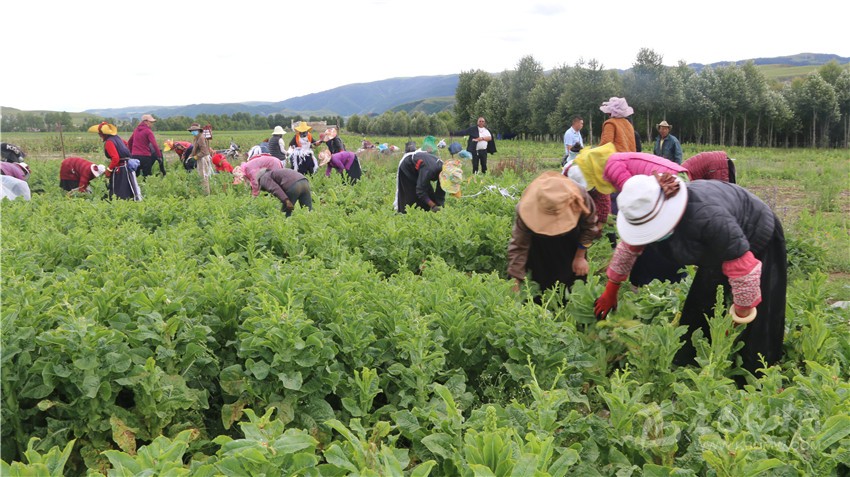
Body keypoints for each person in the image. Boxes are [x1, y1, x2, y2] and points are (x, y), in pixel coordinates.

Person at [594, 174, 787, 378]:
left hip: (755, 230)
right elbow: (628, 249)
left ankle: (756, 373)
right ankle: (690, 360)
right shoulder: (645, 210)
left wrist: (737, 319)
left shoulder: (709, 218)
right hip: (717, 239)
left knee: (761, 313)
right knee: (701, 303)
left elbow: (745, 271)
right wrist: (610, 290)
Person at [567, 149, 691, 285]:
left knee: (655, 239)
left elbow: (635, 200)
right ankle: (657, 280)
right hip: (670, 180)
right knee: (653, 239)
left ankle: (662, 282)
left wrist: (621, 257)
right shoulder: (610, 164)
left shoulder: (612, 167)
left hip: (669, 184)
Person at [507, 171, 599, 295]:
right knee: (538, 286)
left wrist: (579, 257)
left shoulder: (580, 196)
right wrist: (515, 278)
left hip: (569, 243)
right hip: (539, 246)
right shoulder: (525, 208)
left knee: (571, 287)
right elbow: (519, 244)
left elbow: (589, 227)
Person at [394, 136, 458, 213]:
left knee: (429, 194)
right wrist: (433, 205)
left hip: (421, 167)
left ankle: (426, 211)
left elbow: (441, 190)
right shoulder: (430, 170)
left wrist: (440, 205)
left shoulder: (443, 170)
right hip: (408, 166)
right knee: (410, 197)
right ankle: (404, 214)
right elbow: (420, 190)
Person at [88, 121, 141, 201]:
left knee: (119, 189)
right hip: (126, 166)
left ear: (104, 134)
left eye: (100, 133)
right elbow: (126, 144)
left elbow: (115, 158)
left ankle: (118, 203)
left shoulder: (109, 142)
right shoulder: (117, 138)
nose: (99, 135)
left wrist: (109, 170)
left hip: (120, 168)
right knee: (127, 187)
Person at [187, 122, 213, 195]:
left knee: (204, 177)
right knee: (201, 176)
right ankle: (203, 192)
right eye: (192, 131)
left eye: (194, 130)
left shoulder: (201, 138)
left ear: (198, 130)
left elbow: (204, 151)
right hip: (200, 158)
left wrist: (195, 157)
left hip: (203, 159)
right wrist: (190, 157)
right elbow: (194, 150)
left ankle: (206, 194)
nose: (193, 132)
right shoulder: (196, 138)